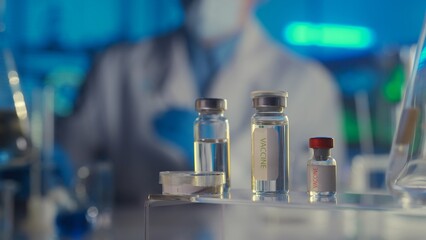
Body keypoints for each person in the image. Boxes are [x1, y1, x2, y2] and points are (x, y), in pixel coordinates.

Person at [56, 0, 345, 203]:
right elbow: (72, 169)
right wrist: (52, 178)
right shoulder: (117, 68)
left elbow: (318, 201)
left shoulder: (307, 83)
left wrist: (220, 168)